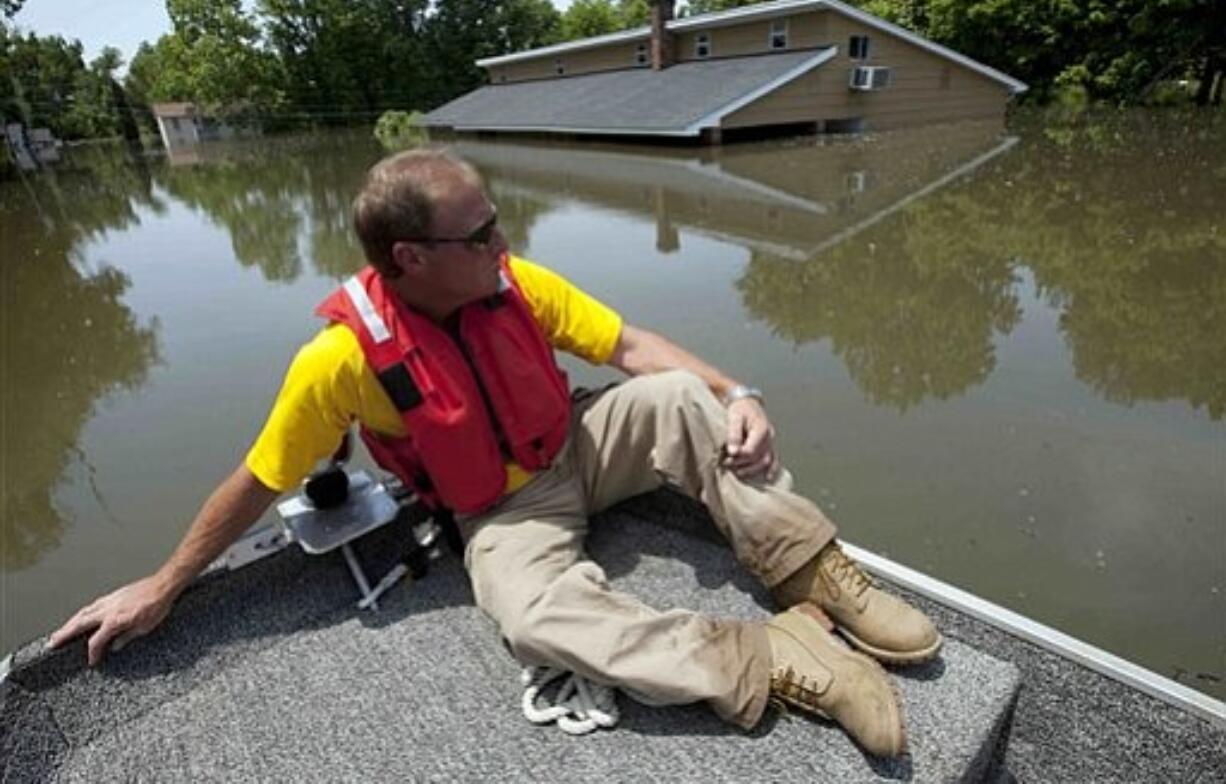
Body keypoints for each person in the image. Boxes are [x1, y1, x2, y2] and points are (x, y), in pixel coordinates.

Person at [50, 149, 941, 757]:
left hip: (580, 448)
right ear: (411, 257)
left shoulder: (516, 284)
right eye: (478, 236)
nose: (502, 244)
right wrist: (164, 586)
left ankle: (813, 572)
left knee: (680, 395)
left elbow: (628, 346)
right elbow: (262, 478)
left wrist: (737, 393)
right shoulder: (340, 361)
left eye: (496, 223)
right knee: (532, 622)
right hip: (502, 514)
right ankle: (777, 658)